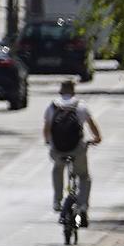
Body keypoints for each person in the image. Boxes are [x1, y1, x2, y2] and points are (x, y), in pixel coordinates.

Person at [43, 79, 102, 219]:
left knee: (58, 169)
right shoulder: (81, 105)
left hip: (58, 149)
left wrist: (48, 142)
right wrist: (97, 138)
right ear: (73, 90)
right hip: (77, 149)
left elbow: (46, 128)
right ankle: (82, 205)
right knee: (84, 176)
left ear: (61, 90)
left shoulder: (53, 106)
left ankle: (57, 201)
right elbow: (91, 125)